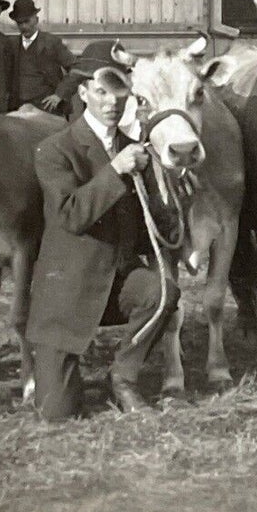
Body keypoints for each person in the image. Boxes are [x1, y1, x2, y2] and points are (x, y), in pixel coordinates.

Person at [24, 65, 179, 422]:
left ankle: (123, 378)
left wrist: (169, 187)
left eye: (119, 91)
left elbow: (151, 228)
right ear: (82, 93)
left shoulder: (136, 149)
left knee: (162, 292)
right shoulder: (54, 149)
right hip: (67, 292)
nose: (112, 101)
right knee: (56, 413)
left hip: (116, 283)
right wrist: (116, 171)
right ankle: (62, 376)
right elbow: (70, 216)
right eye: (101, 91)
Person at [7, 0, 77, 113]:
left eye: (27, 21)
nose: (24, 26)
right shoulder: (11, 45)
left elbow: (76, 68)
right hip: (19, 111)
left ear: (36, 19)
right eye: (20, 23)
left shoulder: (52, 42)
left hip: (48, 110)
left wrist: (59, 95)